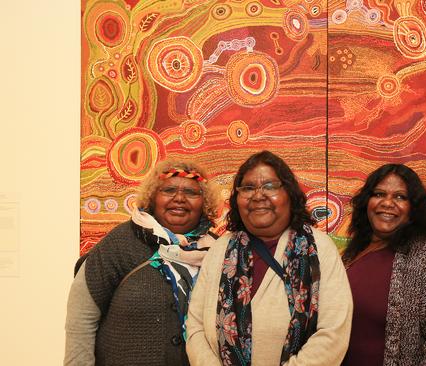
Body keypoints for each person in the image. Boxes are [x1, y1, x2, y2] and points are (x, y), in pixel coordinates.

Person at [186, 150, 353, 365]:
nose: (258, 195)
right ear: (237, 199)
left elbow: (333, 333)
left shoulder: (319, 248)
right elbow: (196, 326)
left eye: (270, 186)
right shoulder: (220, 249)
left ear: (289, 194)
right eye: (248, 188)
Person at [64, 159, 218, 366]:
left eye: (191, 192)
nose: (179, 198)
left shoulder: (218, 252)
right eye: (169, 190)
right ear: (152, 197)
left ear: (205, 203)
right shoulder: (119, 243)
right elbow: (81, 319)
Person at [342, 163, 426, 366]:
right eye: (379, 194)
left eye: (400, 197)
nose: (388, 203)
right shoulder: (355, 250)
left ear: (413, 209)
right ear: (367, 202)